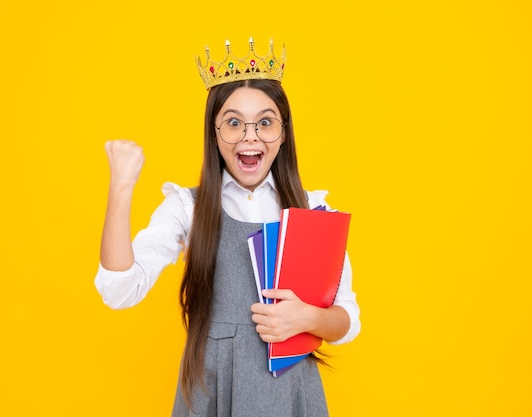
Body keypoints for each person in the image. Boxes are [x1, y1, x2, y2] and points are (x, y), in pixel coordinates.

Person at [94, 38, 361, 416]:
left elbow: (347, 319)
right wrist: (121, 191)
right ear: (214, 133)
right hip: (211, 391)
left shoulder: (312, 208)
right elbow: (120, 290)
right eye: (233, 123)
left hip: (290, 395)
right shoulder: (188, 207)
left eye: (265, 123)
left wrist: (309, 318)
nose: (250, 136)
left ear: (284, 133)